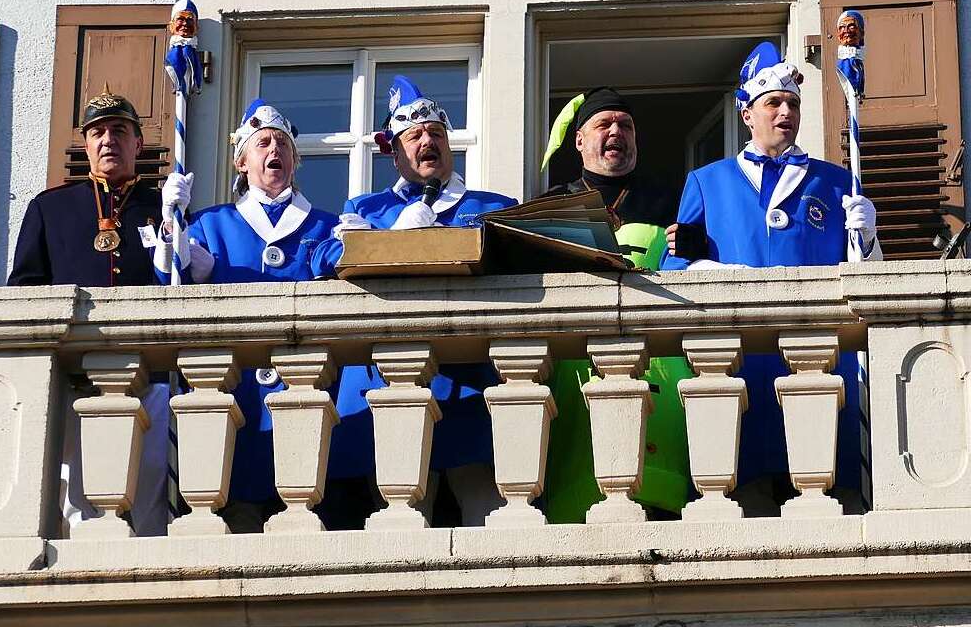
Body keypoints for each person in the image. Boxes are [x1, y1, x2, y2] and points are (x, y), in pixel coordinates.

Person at [661, 42, 881, 513]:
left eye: (794, 104)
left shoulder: (837, 181)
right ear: (747, 113)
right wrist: (726, 276)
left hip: (826, 368)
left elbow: (868, 284)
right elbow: (674, 271)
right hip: (742, 370)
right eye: (774, 103)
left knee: (835, 507)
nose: (786, 112)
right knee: (750, 505)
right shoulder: (707, 182)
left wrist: (870, 236)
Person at [314, 75, 517, 527]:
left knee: (486, 510)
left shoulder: (494, 205)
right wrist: (389, 241)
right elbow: (324, 258)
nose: (428, 142)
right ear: (394, 150)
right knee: (400, 519)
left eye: (437, 134)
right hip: (391, 384)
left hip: (471, 383)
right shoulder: (366, 208)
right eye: (415, 135)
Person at [157, 99, 339, 533]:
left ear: (295, 160)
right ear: (242, 161)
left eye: (282, 143)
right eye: (262, 143)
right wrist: (171, 226)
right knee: (237, 518)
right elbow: (175, 277)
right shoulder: (210, 223)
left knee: (309, 522)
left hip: (307, 391)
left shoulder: (327, 225)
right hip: (237, 401)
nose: (273, 149)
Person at [9, 87, 170, 537]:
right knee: (80, 508)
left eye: (119, 131)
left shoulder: (164, 208)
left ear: (138, 142)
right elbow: (24, 289)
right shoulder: (50, 208)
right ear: (85, 145)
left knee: (152, 501)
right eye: (97, 132)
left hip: (151, 376)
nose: (107, 141)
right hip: (76, 379)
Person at [537, 87, 692, 521]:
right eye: (604, 124)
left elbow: (701, 266)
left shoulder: (673, 200)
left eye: (625, 125)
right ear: (580, 141)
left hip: (660, 370)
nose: (616, 132)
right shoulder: (551, 206)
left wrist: (692, 242)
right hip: (576, 372)